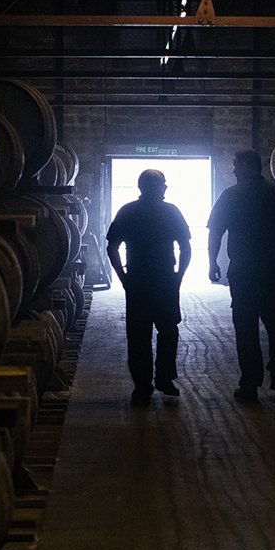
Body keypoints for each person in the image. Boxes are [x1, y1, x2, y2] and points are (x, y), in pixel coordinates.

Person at [207, 149, 275, 403]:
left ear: (247, 167)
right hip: (274, 270)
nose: (233, 170)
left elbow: (215, 233)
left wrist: (212, 263)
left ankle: (250, 383)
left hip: (243, 272)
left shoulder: (229, 196)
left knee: (246, 327)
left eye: (236, 165)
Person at [105, 169, 192, 407]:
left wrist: (123, 278)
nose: (164, 189)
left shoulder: (128, 211)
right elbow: (185, 246)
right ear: (157, 187)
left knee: (139, 335)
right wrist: (178, 276)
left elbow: (112, 247)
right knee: (168, 331)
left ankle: (143, 386)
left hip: (138, 280)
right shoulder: (170, 211)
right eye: (163, 185)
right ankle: (163, 378)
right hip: (164, 279)